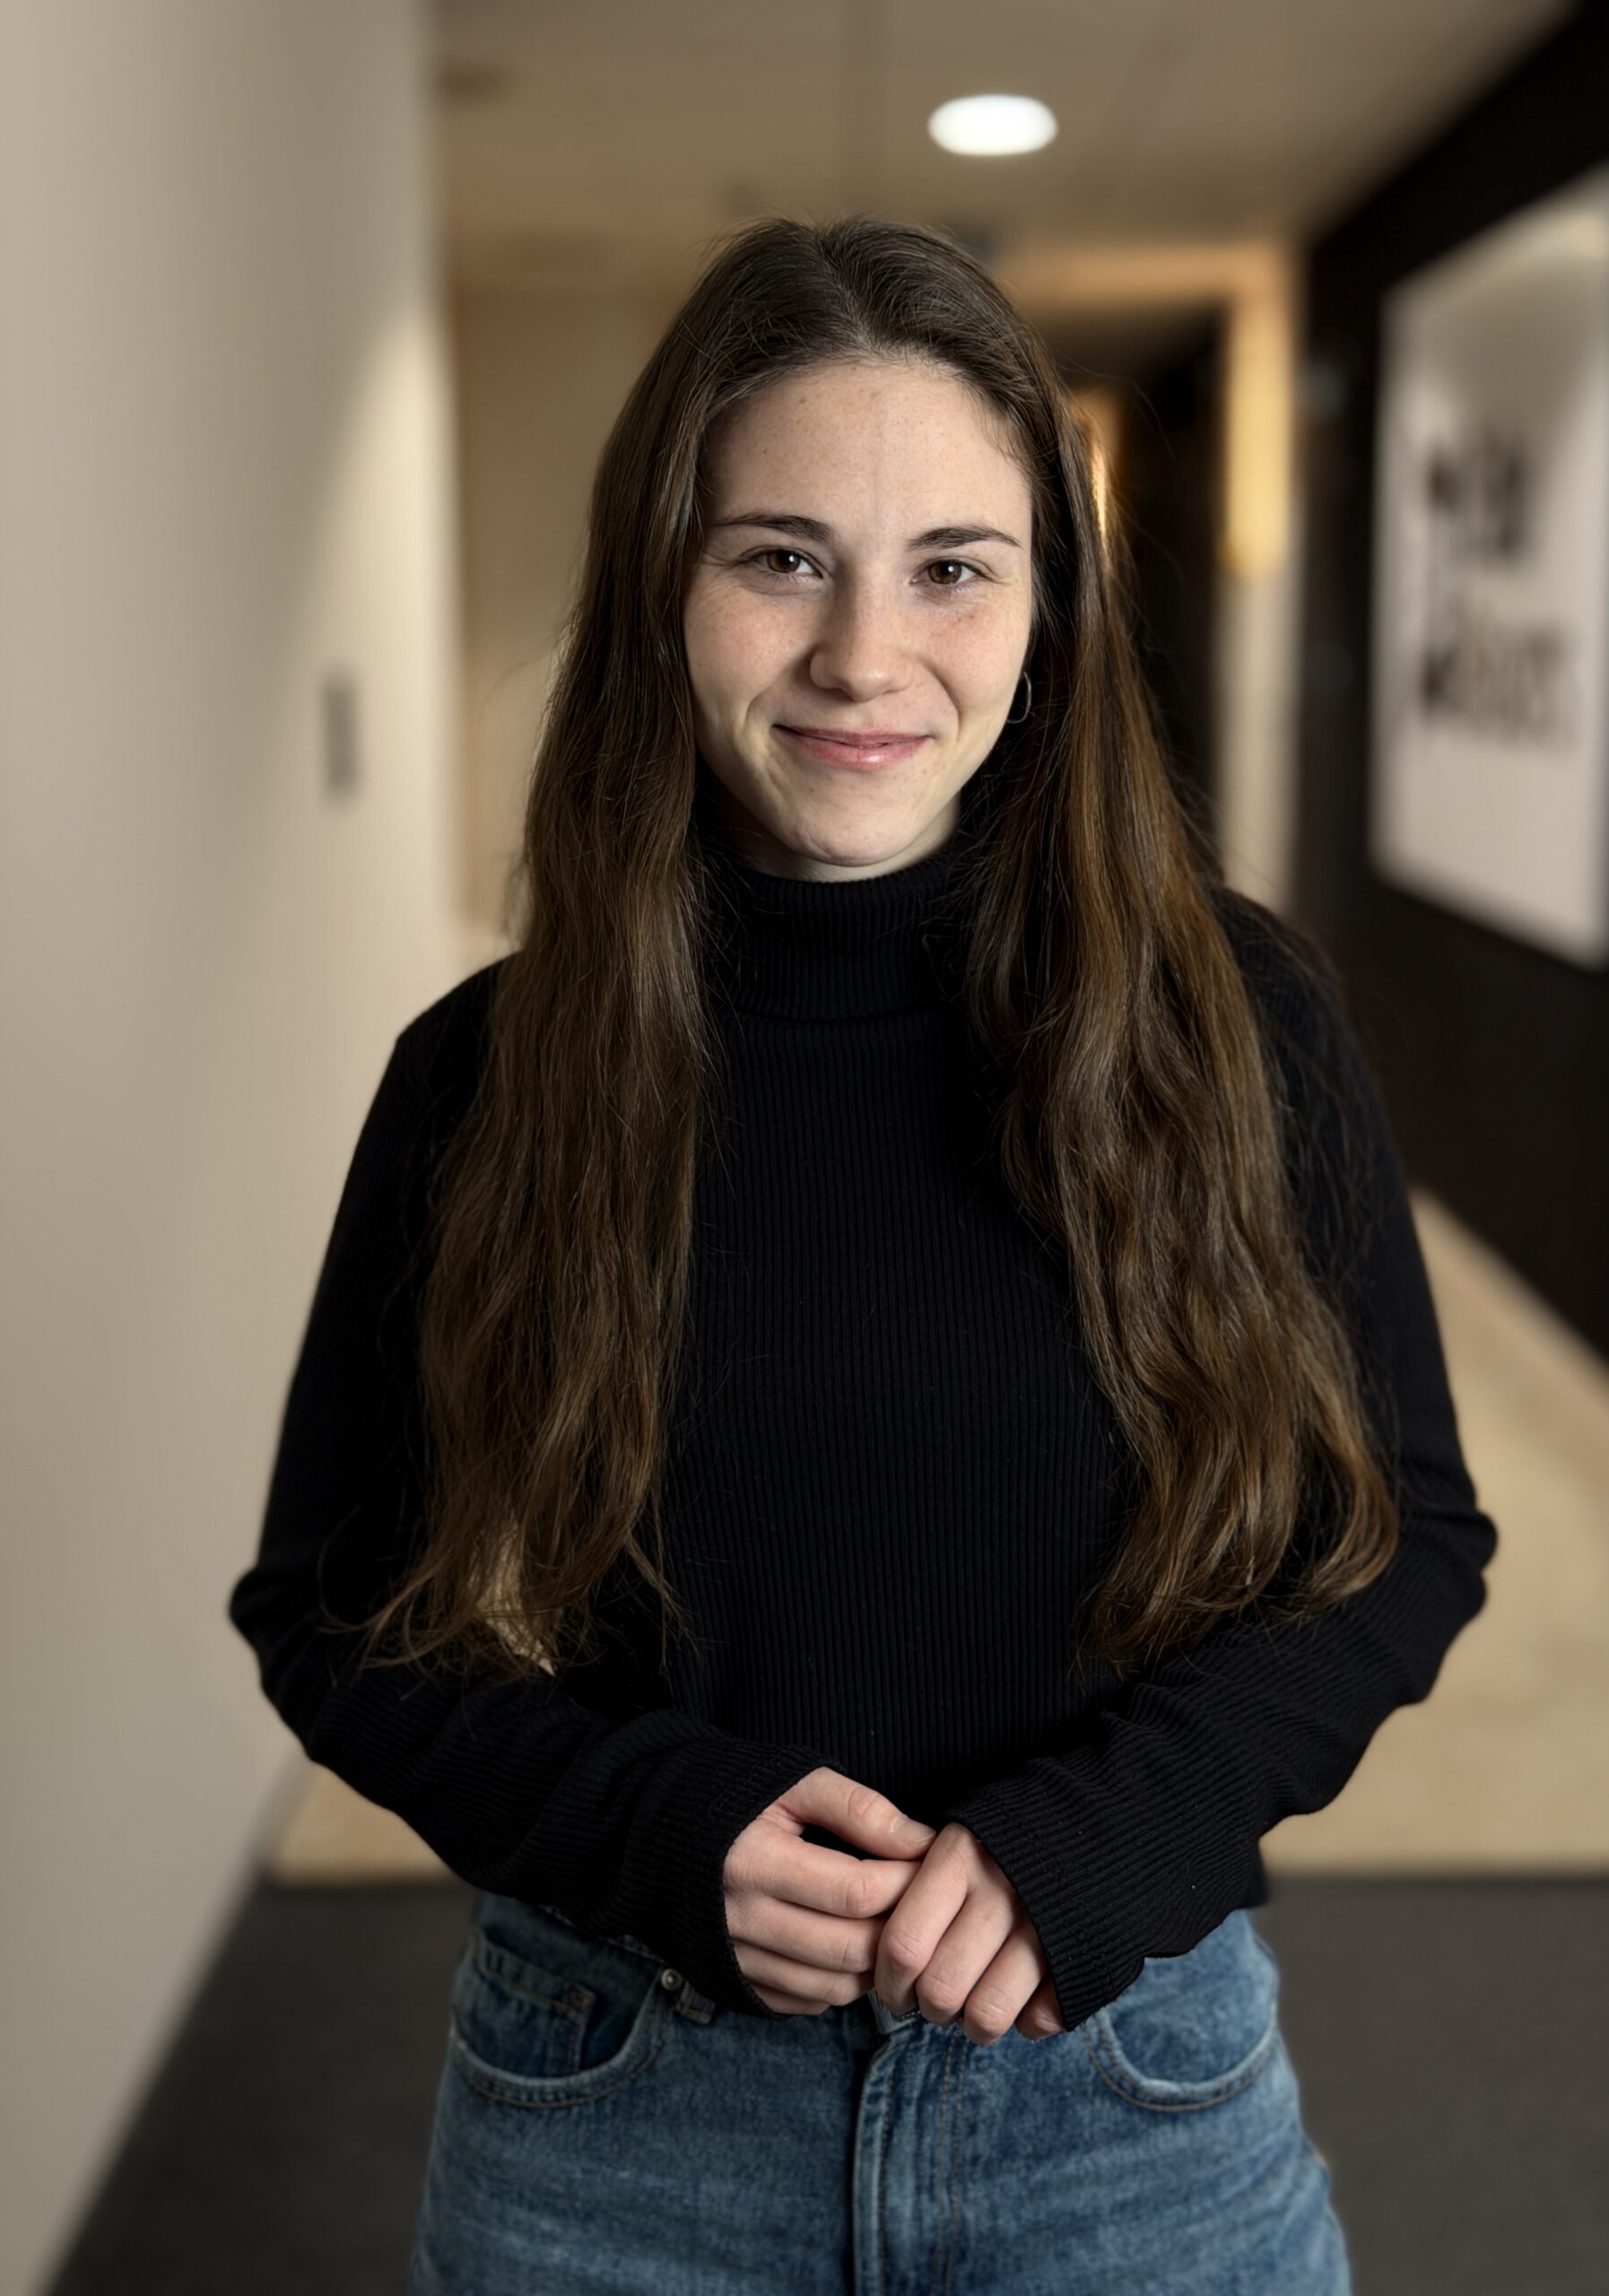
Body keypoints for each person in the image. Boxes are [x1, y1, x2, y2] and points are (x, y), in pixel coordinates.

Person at [228, 213, 1496, 2294]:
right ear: (666, 585)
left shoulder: (1234, 1020)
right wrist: (649, 1823)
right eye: (782, 557)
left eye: (953, 567)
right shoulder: (485, 1075)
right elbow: (328, 1606)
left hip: (1126, 2104)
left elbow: (1402, 1535)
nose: (863, 655)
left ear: (1051, 609)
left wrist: (1122, 1828)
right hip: (622, 2121)